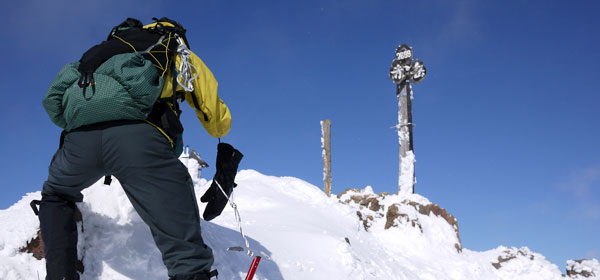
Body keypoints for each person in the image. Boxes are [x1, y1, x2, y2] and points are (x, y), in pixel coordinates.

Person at [36, 18, 230, 280]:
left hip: (79, 141)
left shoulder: (98, 54)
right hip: (140, 140)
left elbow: (56, 105)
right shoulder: (172, 48)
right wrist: (220, 129)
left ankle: (60, 275)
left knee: (56, 194)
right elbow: (214, 116)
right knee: (184, 250)